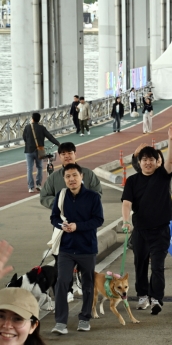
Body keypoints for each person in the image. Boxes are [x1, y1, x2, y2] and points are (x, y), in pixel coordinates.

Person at [121, 125, 172, 315]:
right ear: (139, 162)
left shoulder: (163, 176)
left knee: (157, 265)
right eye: (144, 159)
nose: (148, 163)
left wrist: (171, 140)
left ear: (157, 162)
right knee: (140, 264)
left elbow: (171, 162)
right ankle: (142, 295)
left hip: (161, 230)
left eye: (151, 160)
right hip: (140, 231)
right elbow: (126, 203)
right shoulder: (132, 181)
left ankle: (156, 298)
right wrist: (126, 221)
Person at [50, 163, 104, 334]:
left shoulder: (93, 197)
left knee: (88, 284)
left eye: (74, 175)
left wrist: (77, 226)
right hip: (66, 249)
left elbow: (98, 220)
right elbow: (54, 217)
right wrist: (61, 225)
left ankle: (84, 318)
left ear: (82, 177)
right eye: (68, 176)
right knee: (62, 282)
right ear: (64, 179)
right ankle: (60, 323)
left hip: (87, 248)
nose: (71, 179)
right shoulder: (61, 195)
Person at [22, 112, 61, 193]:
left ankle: (30, 187)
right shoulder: (42, 128)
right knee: (39, 167)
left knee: (29, 169)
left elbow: (24, 138)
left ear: (32, 118)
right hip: (39, 151)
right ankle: (38, 185)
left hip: (28, 150)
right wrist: (58, 144)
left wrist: (29, 143)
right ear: (39, 119)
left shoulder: (27, 127)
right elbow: (50, 137)